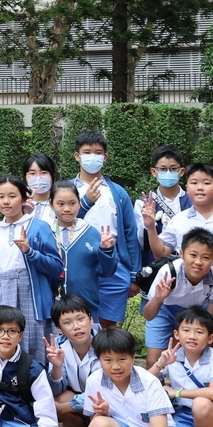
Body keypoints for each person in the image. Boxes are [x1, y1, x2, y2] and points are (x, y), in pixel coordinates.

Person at [0, 177, 62, 363]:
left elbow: (56, 266)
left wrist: (30, 252)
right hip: (3, 297)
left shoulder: (39, 227)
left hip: (33, 300)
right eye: (1, 196)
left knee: (35, 353)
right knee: (4, 350)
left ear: (24, 199)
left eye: (12, 196)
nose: (6, 201)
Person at [73, 131, 142, 326]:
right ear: (77, 156)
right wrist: (85, 202)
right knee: (78, 322)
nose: (92, 157)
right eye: (87, 152)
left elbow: (130, 234)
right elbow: (59, 224)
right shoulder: (67, 190)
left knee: (107, 329)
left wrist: (134, 275)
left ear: (105, 157)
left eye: (98, 153)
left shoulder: (118, 193)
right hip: (79, 264)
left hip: (114, 264)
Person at [141, 227, 213, 366]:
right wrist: (158, 298)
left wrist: (209, 349)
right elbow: (148, 316)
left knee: (196, 358)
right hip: (165, 310)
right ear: (181, 253)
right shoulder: (168, 272)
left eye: (205, 257)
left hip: (197, 312)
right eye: (193, 255)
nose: (198, 262)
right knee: (154, 360)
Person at [45, 294, 100, 427]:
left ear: (91, 320)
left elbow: (104, 391)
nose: (76, 327)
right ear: (59, 329)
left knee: (57, 406)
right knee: (55, 399)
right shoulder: (58, 345)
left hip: (106, 404)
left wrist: (63, 408)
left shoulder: (105, 344)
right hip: (82, 400)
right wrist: (57, 366)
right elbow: (56, 389)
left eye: (81, 319)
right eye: (68, 323)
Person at [50, 181, 117, 317]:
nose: (67, 208)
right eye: (60, 204)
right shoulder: (45, 232)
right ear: (51, 204)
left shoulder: (91, 233)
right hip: (52, 307)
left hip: (86, 306)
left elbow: (106, 272)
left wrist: (106, 251)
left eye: (72, 203)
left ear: (79, 203)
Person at [157, 163, 213, 256]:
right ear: (187, 188)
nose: (200, 188)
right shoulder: (179, 220)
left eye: (206, 183)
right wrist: (150, 227)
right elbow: (160, 253)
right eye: (194, 183)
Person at [136, 147, 191, 261]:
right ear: (154, 172)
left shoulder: (192, 202)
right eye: (162, 169)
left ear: (181, 172)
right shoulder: (143, 203)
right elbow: (141, 244)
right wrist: (149, 225)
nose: (168, 173)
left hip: (188, 264)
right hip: (155, 265)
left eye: (173, 168)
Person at [23, 154, 59, 227]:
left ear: (53, 176)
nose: (38, 177)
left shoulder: (60, 204)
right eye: (32, 173)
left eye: (43, 173)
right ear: (25, 177)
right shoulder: (19, 205)